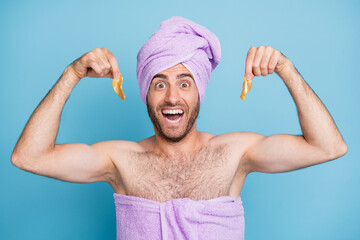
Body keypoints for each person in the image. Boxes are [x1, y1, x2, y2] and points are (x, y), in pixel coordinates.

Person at [11, 16, 347, 240]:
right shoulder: (119, 160)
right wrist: (72, 74)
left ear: (199, 90)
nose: (172, 97)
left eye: (185, 83)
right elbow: (29, 157)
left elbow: (328, 146)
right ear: (145, 93)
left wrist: (286, 69)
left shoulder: (235, 153)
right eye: (160, 84)